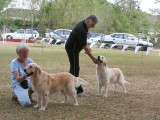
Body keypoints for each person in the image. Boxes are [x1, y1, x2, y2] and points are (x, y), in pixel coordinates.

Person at [65, 15, 98, 97]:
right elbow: (84, 46)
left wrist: (88, 47)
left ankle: (67, 86)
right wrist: (93, 58)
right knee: (75, 68)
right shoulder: (81, 29)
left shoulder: (83, 25)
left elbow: (83, 42)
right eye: (92, 25)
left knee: (73, 68)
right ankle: (79, 91)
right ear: (88, 21)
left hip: (75, 48)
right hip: (72, 48)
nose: (93, 27)